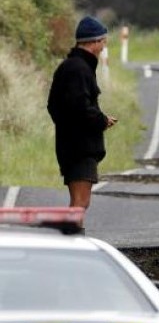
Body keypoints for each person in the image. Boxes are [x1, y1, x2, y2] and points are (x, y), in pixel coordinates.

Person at [47, 15, 117, 229]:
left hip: (74, 145)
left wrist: (69, 126)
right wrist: (101, 120)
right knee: (79, 203)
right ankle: (72, 246)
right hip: (79, 148)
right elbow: (80, 107)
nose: (104, 46)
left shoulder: (75, 67)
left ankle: (73, 243)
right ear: (94, 41)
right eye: (103, 41)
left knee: (80, 203)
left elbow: (56, 106)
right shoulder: (78, 69)